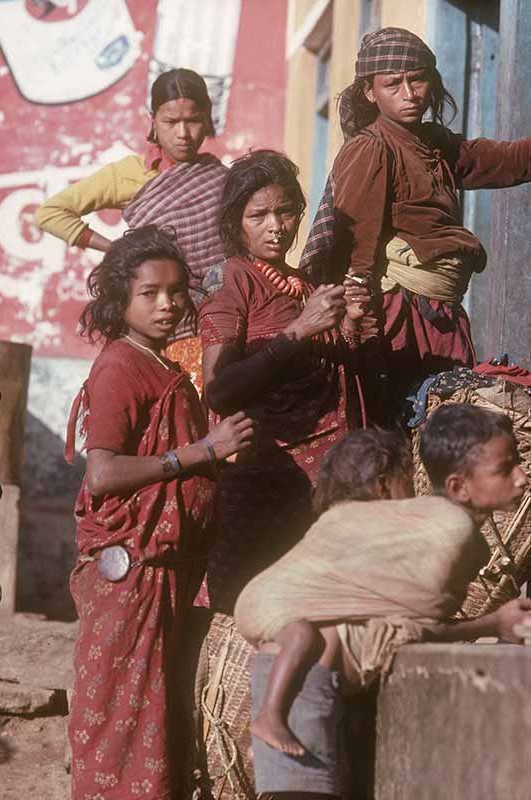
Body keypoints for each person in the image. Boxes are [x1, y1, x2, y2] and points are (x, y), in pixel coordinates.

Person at [234, 405, 529, 797]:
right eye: (505, 469)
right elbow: (420, 624)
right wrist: (492, 624)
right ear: (457, 486)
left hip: (308, 682)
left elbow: (404, 622)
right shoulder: (446, 533)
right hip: (307, 691)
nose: (523, 478)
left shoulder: (375, 535)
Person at [64, 225, 254, 800]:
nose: (168, 304)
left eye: (176, 291)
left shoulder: (161, 363)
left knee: (150, 715)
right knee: (121, 714)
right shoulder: (122, 365)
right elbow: (103, 473)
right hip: (132, 573)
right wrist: (199, 453)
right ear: (120, 299)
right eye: (150, 293)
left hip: (164, 569)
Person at [300, 27, 531, 419]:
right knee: (409, 423)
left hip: (439, 314)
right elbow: (356, 249)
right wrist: (363, 328)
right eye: (393, 84)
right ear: (370, 93)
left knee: (443, 429)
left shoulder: (432, 143)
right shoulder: (372, 148)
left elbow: (505, 161)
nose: (409, 94)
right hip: (398, 317)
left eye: (417, 79)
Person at [198, 149, 370, 613]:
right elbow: (219, 388)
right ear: (236, 224)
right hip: (263, 482)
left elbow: (331, 373)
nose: (276, 226)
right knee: (241, 614)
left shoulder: (304, 284)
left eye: (286, 211)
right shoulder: (229, 283)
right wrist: (298, 331)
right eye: (259, 215)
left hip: (320, 486)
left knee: (308, 610)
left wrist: (349, 321)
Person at [35, 68, 227, 380]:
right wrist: (115, 250)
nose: (183, 133)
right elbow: (50, 212)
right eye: (170, 122)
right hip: (163, 324)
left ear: (206, 118)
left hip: (221, 316)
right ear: (153, 120)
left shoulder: (217, 176)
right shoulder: (128, 174)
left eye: (192, 120)